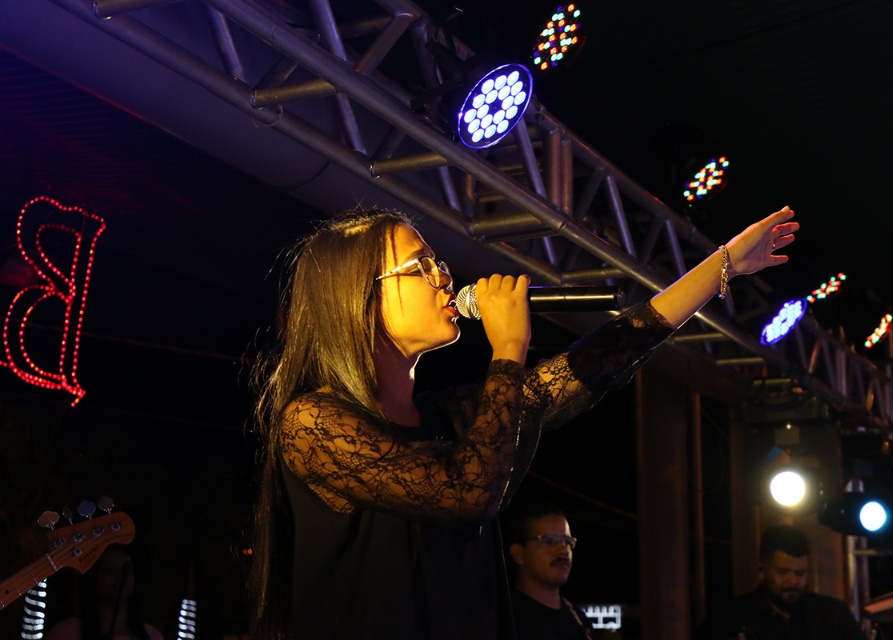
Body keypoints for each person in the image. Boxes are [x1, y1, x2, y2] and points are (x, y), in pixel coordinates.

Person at [249, 205, 798, 639]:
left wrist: (722, 263)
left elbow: (598, 362)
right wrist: (507, 349)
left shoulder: (449, 415)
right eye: (421, 265)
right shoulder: (311, 422)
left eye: (439, 261)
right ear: (358, 296)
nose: (444, 276)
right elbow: (466, 494)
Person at [694, 525, 866, 640]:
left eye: (801, 573)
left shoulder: (833, 615)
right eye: (783, 572)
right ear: (762, 570)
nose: (793, 581)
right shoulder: (730, 618)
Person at [505, 502, 592, 640]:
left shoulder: (578, 618)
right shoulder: (505, 619)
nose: (563, 550)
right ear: (518, 553)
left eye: (567, 541)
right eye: (548, 540)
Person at [45, 544, 164, 640]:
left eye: (126, 569)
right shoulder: (67, 632)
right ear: (93, 577)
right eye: (108, 570)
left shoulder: (152, 635)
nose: (119, 576)